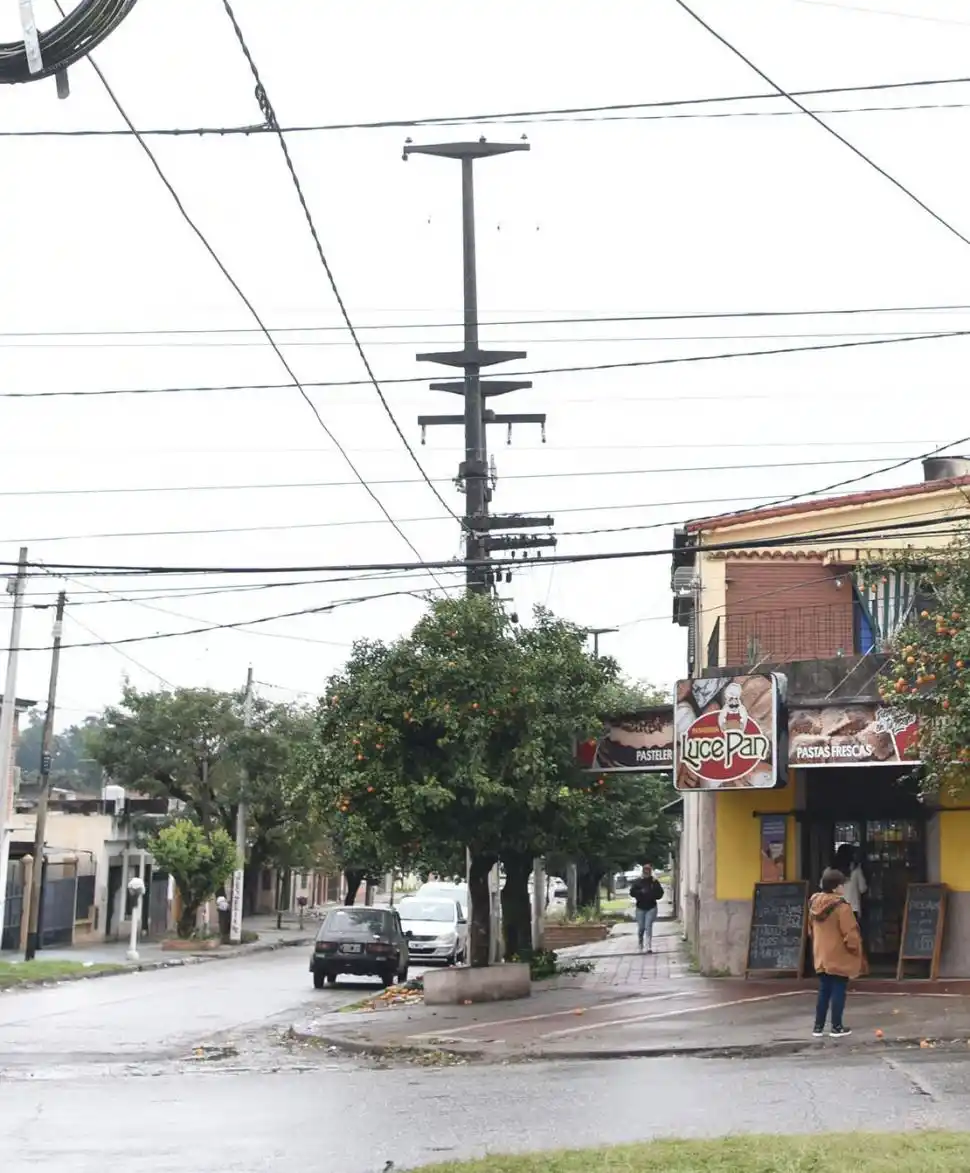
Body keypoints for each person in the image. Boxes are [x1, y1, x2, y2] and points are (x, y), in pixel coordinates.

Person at [808, 868, 863, 1038]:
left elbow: (810, 929)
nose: (843, 888)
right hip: (838, 954)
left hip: (821, 953)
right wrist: (855, 949)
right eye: (842, 885)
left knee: (824, 990)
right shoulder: (842, 907)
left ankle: (818, 1027)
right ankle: (836, 1027)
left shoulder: (814, 902)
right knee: (839, 988)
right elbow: (850, 932)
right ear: (835, 887)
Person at [629, 864, 664, 952]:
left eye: (648, 871)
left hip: (651, 907)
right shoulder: (638, 882)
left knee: (648, 926)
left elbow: (660, 893)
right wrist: (640, 892)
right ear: (643, 871)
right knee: (641, 927)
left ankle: (648, 946)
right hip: (640, 907)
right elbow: (632, 892)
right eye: (645, 871)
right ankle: (640, 943)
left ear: (650, 871)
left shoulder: (654, 882)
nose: (646, 872)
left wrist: (653, 895)